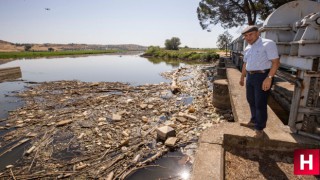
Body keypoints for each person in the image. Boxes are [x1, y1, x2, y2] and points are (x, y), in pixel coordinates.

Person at [239, 25, 280, 138]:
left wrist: (269, 78)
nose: (248, 37)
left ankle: (259, 128)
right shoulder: (248, 47)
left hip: (262, 76)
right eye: (246, 36)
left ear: (257, 33)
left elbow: (276, 62)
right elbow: (245, 64)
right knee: (251, 100)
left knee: (260, 103)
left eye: (250, 34)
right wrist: (242, 77)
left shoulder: (268, 43)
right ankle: (253, 120)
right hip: (250, 77)